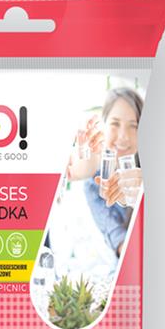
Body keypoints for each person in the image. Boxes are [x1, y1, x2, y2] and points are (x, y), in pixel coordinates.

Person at [66, 87, 144, 255]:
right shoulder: (95, 182)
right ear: (103, 125)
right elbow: (119, 241)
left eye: (134, 126)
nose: (123, 136)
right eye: (115, 123)